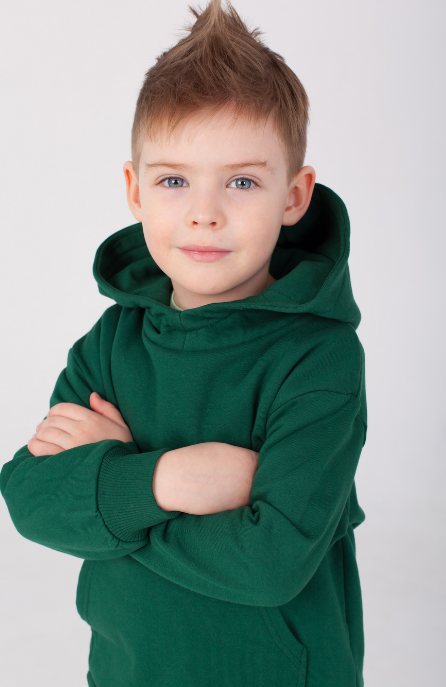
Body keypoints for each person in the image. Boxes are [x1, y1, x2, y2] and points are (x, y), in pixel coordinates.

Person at [0, 1, 368, 685]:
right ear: (136, 190)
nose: (204, 212)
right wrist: (170, 479)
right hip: (126, 670)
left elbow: (271, 562)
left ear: (294, 197)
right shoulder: (111, 342)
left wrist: (110, 494)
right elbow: (31, 499)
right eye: (174, 180)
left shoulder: (319, 358)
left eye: (242, 182)